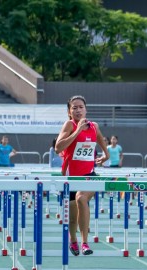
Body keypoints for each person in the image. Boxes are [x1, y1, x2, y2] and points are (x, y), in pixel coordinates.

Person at [55, 95, 109, 256]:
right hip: (71, 178)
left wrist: (106, 154)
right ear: (69, 112)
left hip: (89, 175)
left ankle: (85, 242)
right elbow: (58, 148)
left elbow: (100, 139)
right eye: (74, 108)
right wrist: (77, 130)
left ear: (86, 109)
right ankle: (73, 240)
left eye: (81, 107)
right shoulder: (69, 125)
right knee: (72, 218)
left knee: (81, 199)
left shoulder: (94, 126)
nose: (78, 110)